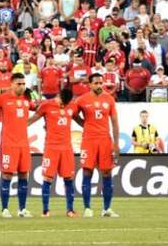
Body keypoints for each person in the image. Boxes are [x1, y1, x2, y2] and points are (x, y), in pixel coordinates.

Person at [71, 73, 120, 218]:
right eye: (96, 83)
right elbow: (72, 114)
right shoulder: (82, 100)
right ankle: (87, 208)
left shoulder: (109, 99)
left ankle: (107, 209)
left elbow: (115, 122)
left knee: (106, 173)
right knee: (87, 172)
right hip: (89, 140)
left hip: (105, 140)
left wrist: (116, 143)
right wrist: (84, 124)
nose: (99, 85)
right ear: (90, 84)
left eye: (101, 83)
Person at [0, 74, 35, 218]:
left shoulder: (27, 99)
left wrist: (34, 96)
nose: (22, 86)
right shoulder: (3, 98)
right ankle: (5, 209)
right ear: (11, 84)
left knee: (23, 174)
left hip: (24, 143)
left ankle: (22, 209)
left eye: (23, 83)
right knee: (7, 175)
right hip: (9, 143)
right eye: (18, 84)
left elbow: (37, 108)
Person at [29, 92, 78, 218]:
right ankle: (45, 211)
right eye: (62, 102)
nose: (64, 105)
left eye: (66, 104)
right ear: (58, 96)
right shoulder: (46, 105)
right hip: (51, 148)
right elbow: (32, 120)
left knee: (69, 178)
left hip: (67, 148)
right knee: (47, 178)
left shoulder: (72, 107)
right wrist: (18, 125)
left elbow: (81, 121)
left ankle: (70, 210)